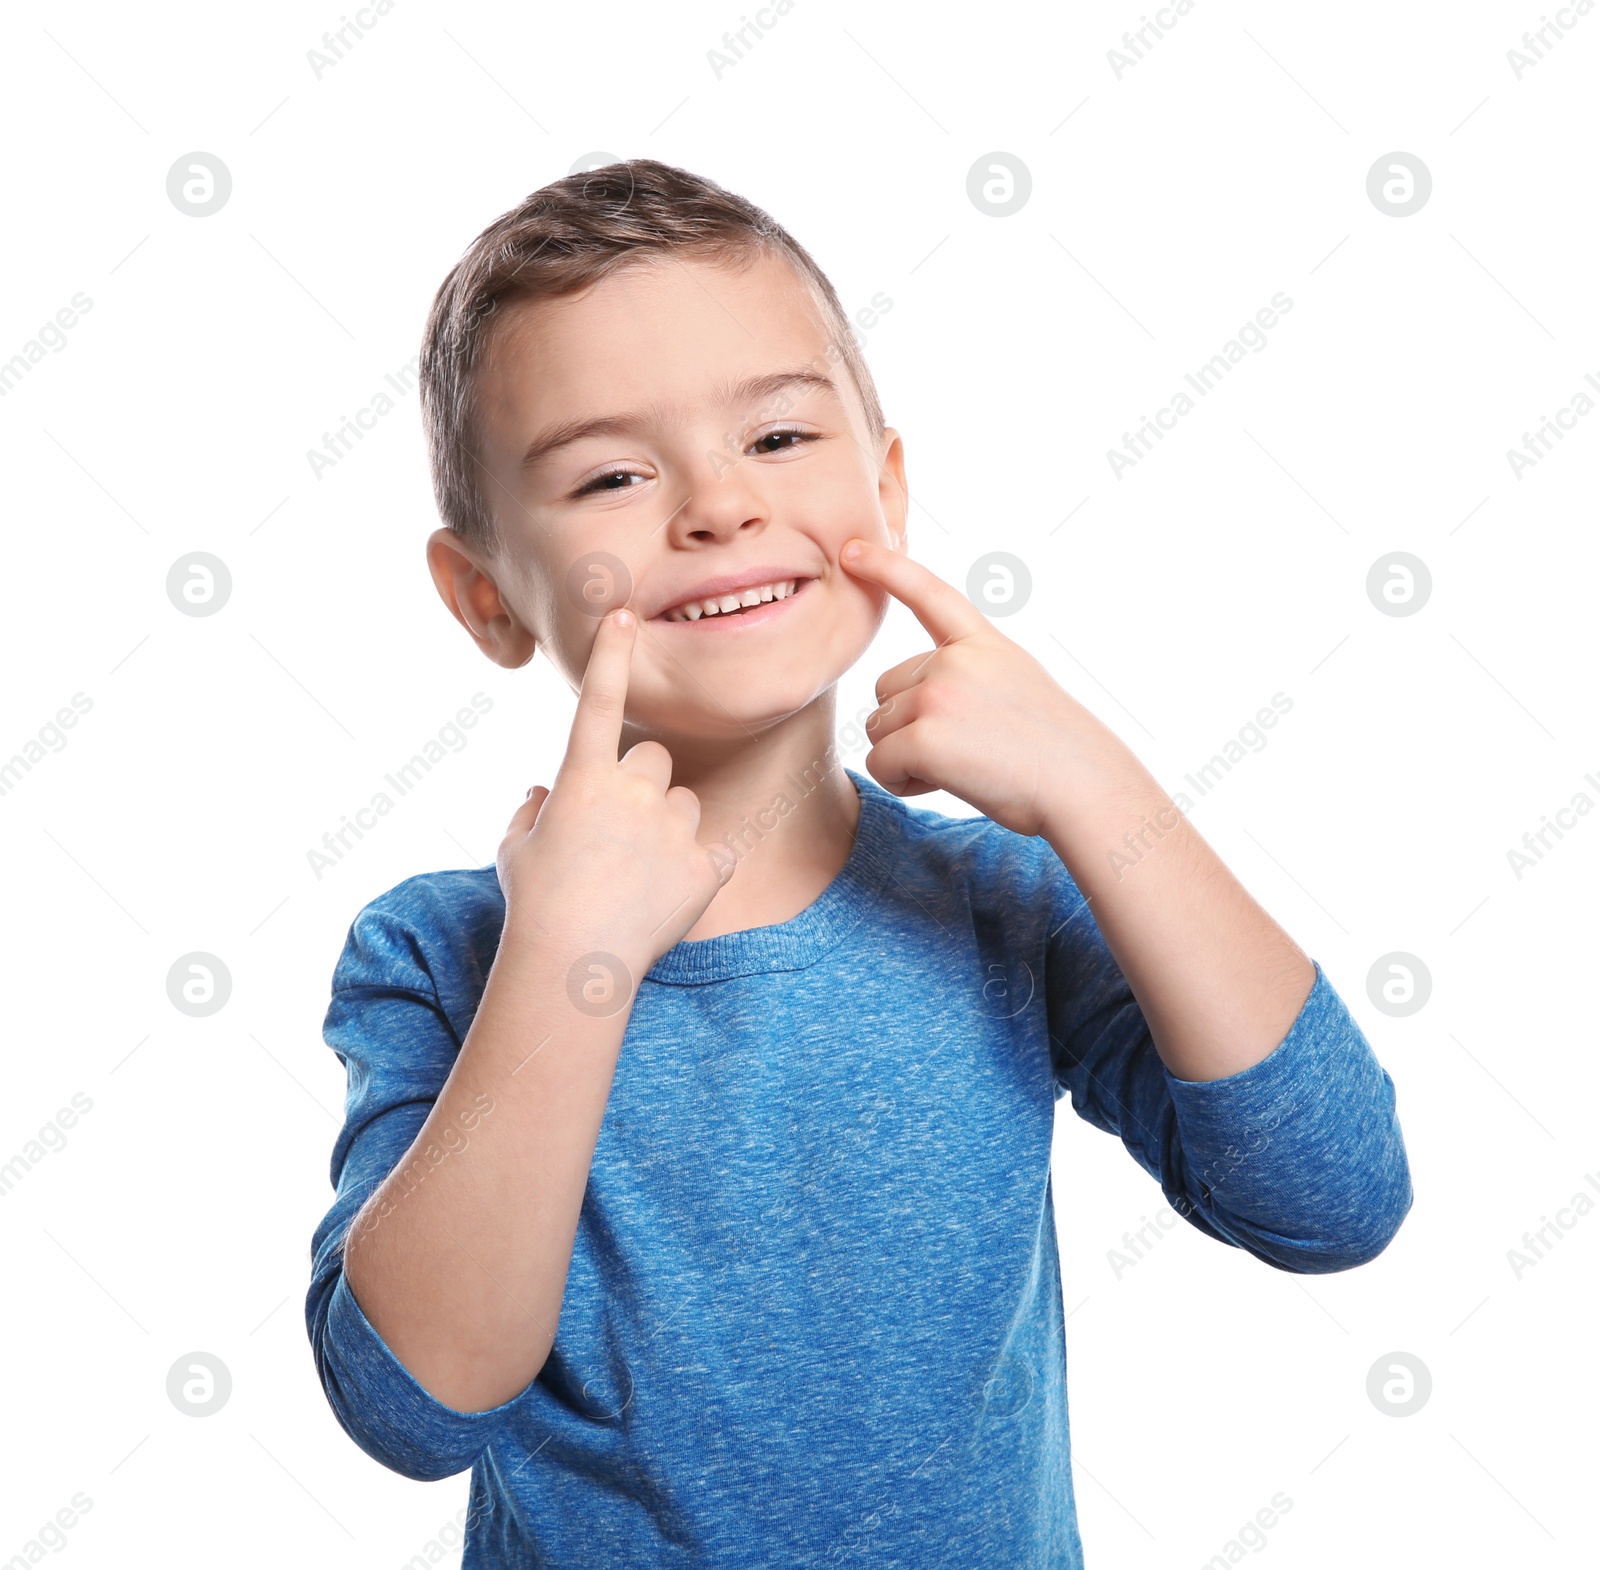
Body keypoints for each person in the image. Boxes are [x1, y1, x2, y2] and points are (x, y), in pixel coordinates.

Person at [305, 158, 1412, 1568]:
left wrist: (1095, 781)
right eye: (609, 474)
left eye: (776, 438)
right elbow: (411, 1405)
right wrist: (572, 961)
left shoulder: (1002, 898)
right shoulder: (442, 952)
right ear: (485, 596)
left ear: (884, 490)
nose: (716, 505)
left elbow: (1335, 1200)